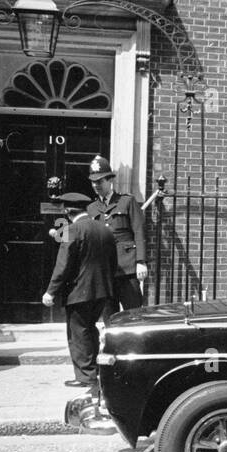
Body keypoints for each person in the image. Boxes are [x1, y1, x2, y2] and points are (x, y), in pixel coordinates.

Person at [42, 192, 118, 390]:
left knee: (78, 333)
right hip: (103, 290)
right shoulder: (105, 229)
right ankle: (95, 371)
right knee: (90, 329)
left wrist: (51, 291)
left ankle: (85, 376)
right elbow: (112, 261)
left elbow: (63, 265)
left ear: (68, 211)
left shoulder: (72, 230)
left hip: (79, 291)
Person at [86, 155, 147, 320]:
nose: (96, 185)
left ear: (109, 180)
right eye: (93, 182)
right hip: (104, 272)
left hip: (127, 268)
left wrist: (141, 262)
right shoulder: (91, 208)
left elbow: (139, 231)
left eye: (100, 181)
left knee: (134, 315)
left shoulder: (127, 201)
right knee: (109, 318)